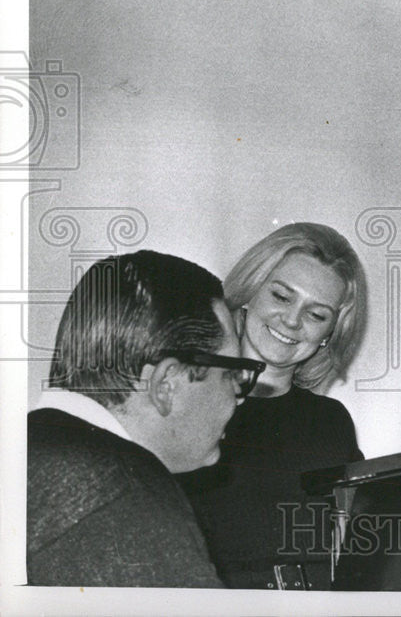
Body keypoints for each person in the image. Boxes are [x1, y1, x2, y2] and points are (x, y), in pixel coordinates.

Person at [27, 250, 260, 587]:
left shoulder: (28, 449)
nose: (238, 399)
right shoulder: (125, 493)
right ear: (166, 384)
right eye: (231, 376)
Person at [179, 223, 366, 590]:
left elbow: (356, 554)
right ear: (249, 294)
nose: (293, 321)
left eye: (317, 314)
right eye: (282, 297)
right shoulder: (186, 403)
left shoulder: (331, 423)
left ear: (331, 334)